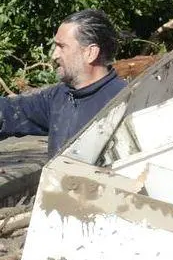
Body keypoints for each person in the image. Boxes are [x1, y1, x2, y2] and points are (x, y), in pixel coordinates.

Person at [0, 10, 126, 156]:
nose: (54, 55)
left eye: (62, 47)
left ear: (91, 53)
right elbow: (12, 111)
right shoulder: (59, 96)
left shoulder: (124, 103)